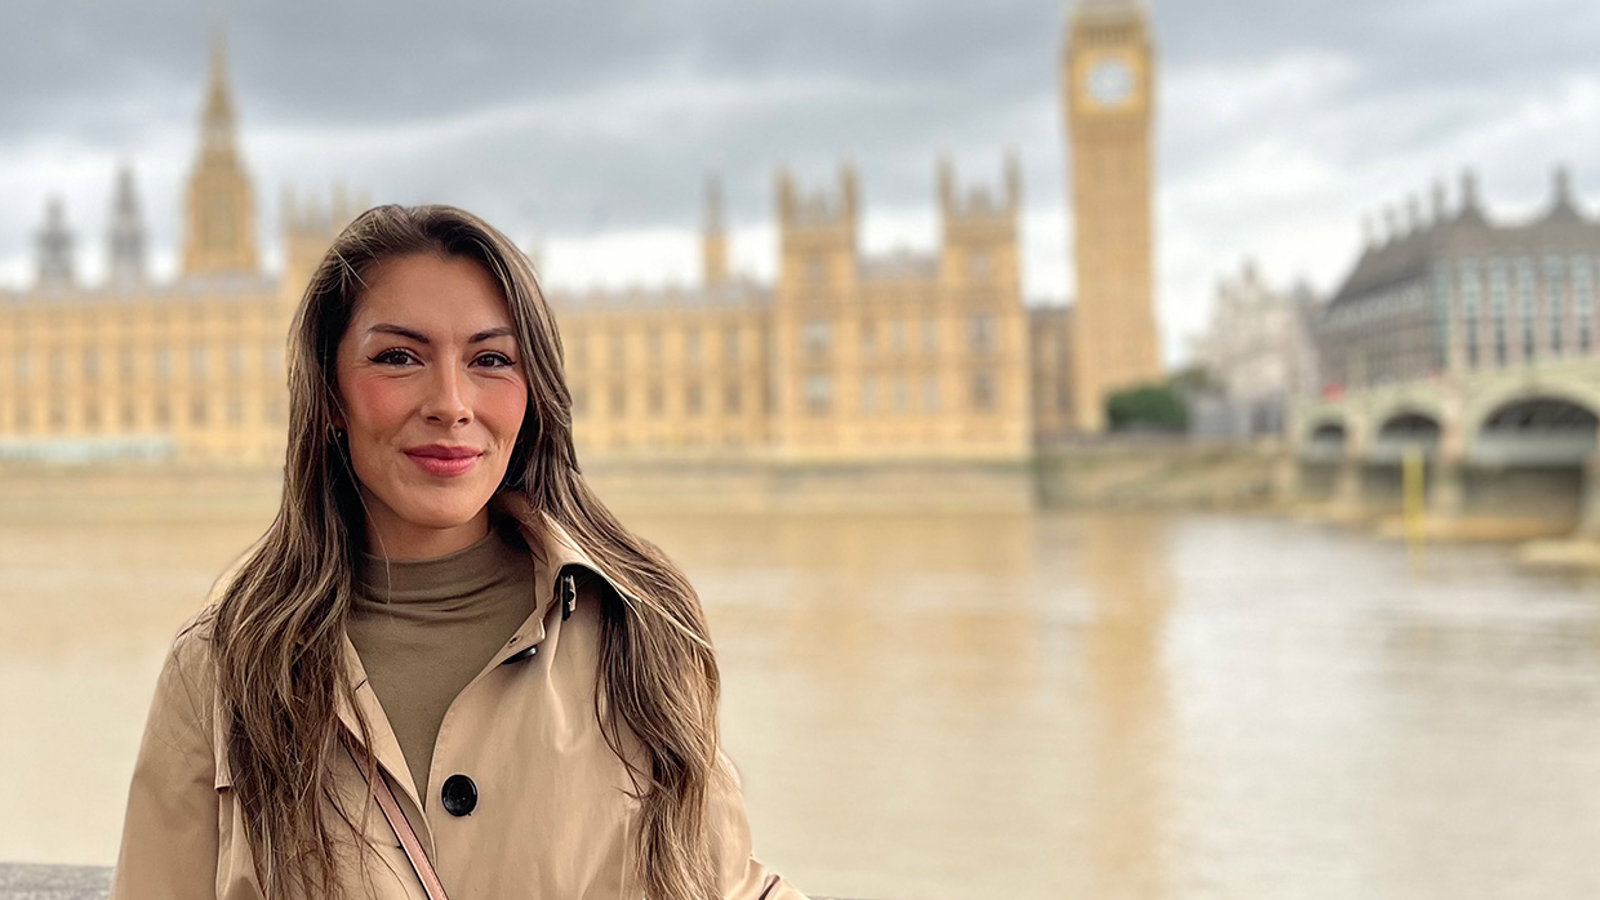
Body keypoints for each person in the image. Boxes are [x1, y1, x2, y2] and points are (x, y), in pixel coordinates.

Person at [109, 204, 806, 900]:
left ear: (534, 393)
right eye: (399, 357)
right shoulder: (220, 666)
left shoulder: (642, 626)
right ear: (327, 391)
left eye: (491, 360)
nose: (451, 402)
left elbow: (723, 883)